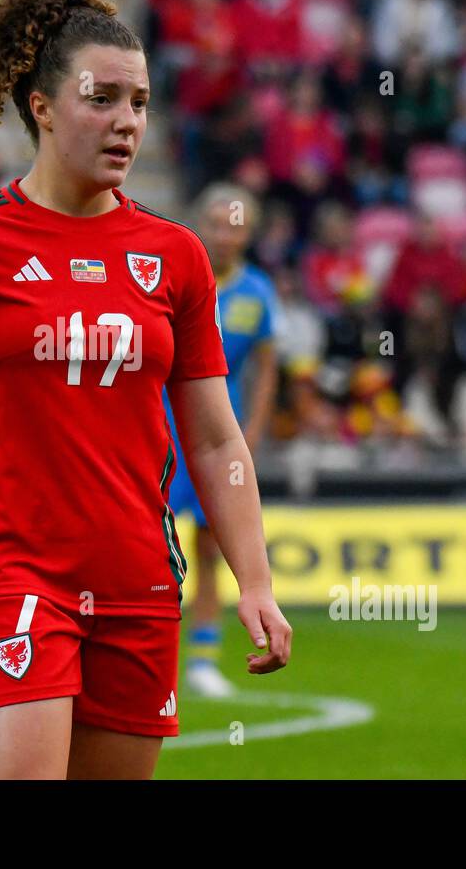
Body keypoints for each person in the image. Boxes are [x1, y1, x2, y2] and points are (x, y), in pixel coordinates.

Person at [0, 0, 291, 780]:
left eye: (140, 103)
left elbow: (216, 434)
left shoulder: (178, 258)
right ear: (41, 107)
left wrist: (253, 578)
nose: (126, 123)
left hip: (138, 582)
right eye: (102, 98)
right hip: (12, 572)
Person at [162, 183, 280, 697]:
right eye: (216, 223)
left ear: (249, 234)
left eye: (236, 226)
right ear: (198, 224)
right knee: (151, 547)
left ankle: (203, 659)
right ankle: (153, 653)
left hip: (218, 431)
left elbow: (268, 367)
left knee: (210, 549)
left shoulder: (257, 293)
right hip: (163, 425)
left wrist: (252, 428)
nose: (225, 235)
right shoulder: (173, 275)